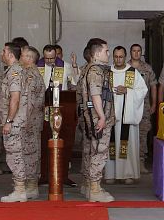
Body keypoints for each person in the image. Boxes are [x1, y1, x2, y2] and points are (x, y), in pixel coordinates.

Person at [78, 38, 115, 203]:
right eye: (106, 51)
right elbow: (95, 94)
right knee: (99, 152)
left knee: (93, 151)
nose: (108, 54)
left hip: (93, 116)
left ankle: (90, 186)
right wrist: (101, 117)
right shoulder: (95, 71)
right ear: (98, 53)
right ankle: (95, 189)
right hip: (98, 118)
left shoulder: (91, 69)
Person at [104, 46, 147, 184]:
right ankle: (110, 174)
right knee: (110, 144)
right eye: (116, 56)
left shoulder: (132, 72)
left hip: (126, 116)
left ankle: (127, 174)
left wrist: (128, 90)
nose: (118, 59)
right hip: (110, 116)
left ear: (125, 56)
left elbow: (142, 91)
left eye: (121, 57)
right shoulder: (107, 73)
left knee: (127, 144)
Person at [38, 44, 78, 187]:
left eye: (52, 58)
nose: (49, 61)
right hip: (42, 108)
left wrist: (74, 66)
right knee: (44, 142)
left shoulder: (65, 66)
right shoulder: (38, 66)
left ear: (57, 55)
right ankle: (44, 175)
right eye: (46, 58)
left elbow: (74, 83)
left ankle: (63, 176)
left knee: (63, 142)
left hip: (62, 108)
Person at [0, 42, 28, 202]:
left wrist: (9, 121)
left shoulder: (14, 72)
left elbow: (15, 98)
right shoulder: (14, 70)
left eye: (4, 51)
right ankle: (20, 188)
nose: (2, 53)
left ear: (10, 54)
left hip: (14, 123)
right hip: (17, 122)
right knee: (16, 154)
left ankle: (19, 190)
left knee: (14, 155)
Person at [20, 47, 45, 200]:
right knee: (29, 152)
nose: (20, 58)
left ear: (29, 58)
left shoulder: (30, 75)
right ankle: (28, 184)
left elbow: (28, 102)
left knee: (30, 153)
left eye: (22, 55)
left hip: (29, 121)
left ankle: (31, 185)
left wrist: (24, 120)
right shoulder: (32, 73)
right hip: (30, 120)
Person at [129, 43, 156, 173]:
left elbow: (153, 86)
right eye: (134, 51)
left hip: (144, 105)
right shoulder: (125, 67)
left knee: (143, 132)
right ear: (130, 53)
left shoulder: (147, 68)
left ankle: (140, 161)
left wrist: (154, 103)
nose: (136, 53)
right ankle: (128, 163)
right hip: (128, 105)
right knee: (127, 133)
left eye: (138, 51)